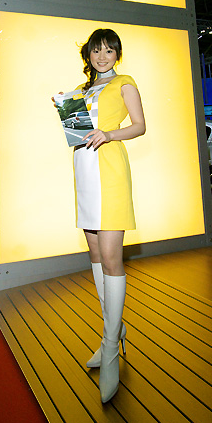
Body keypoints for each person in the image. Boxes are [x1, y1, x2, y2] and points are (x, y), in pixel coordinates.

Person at [58, 28, 145, 403]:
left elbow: (139, 125)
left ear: (117, 55)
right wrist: (67, 114)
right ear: (88, 55)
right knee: (94, 255)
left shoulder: (125, 82)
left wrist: (108, 134)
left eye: (109, 50)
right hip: (84, 170)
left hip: (109, 170)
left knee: (111, 258)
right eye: (97, 50)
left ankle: (110, 347)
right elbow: (77, 134)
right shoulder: (79, 90)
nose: (103, 56)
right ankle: (114, 329)